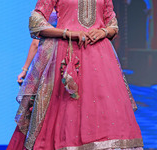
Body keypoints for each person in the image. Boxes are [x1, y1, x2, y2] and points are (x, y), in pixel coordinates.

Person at [7, 0, 144, 150]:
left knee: (106, 116)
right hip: (66, 52)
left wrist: (103, 31)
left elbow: (113, 23)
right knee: (68, 111)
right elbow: (36, 19)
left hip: (101, 57)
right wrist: (67, 33)